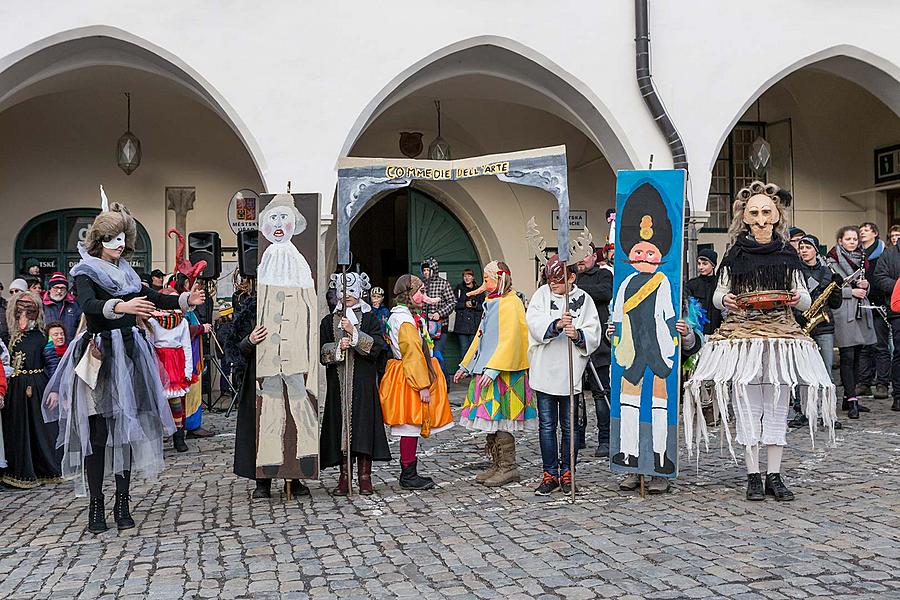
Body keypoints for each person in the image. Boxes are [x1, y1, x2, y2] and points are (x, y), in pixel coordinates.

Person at [43, 194, 205, 533]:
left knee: (126, 432)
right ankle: (96, 505)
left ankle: (122, 500)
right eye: (110, 239)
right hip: (99, 357)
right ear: (98, 241)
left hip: (130, 355)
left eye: (121, 239)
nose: (117, 245)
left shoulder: (129, 274)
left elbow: (154, 296)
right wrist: (122, 308)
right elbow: (87, 305)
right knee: (99, 434)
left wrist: (184, 299)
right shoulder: (85, 272)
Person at [684, 181, 835, 502]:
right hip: (743, 337)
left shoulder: (786, 252)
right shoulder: (735, 253)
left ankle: (774, 474)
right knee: (747, 404)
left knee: (778, 402)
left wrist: (797, 298)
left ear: (777, 214)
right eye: (755, 212)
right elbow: (718, 295)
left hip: (780, 336)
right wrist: (728, 302)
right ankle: (753, 474)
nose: (762, 218)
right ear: (745, 216)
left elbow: (805, 298)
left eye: (767, 212)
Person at [453, 261, 534, 486]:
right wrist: (466, 365)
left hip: (504, 372)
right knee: (491, 420)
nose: (484, 283)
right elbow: (481, 336)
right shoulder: (493, 301)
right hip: (488, 371)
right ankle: (498, 465)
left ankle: (508, 468)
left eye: (488, 279)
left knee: (501, 420)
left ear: (499, 279)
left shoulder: (511, 303)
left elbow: (512, 339)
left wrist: (494, 367)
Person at [526, 255, 601, 496]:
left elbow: (593, 331)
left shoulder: (583, 300)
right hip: (545, 369)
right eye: (550, 280)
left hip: (570, 373)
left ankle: (568, 472)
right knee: (547, 426)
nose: (552, 285)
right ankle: (550, 474)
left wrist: (577, 334)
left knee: (570, 427)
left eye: (558, 280)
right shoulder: (541, 296)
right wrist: (556, 325)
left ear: (571, 277)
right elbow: (534, 322)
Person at [380, 274, 454, 490]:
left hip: (406, 374)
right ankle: (408, 474)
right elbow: (411, 353)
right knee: (409, 426)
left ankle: (409, 472)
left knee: (409, 426)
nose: (424, 295)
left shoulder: (405, 317)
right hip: (409, 377)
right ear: (410, 295)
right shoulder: (404, 321)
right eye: (420, 291)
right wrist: (422, 385)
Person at [320, 271, 391, 495]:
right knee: (341, 429)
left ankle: (364, 477)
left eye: (352, 292)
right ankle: (344, 477)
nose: (347, 296)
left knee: (362, 428)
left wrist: (355, 333)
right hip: (338, 384)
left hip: (362, 382)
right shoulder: (328, 321)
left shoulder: (370, 319)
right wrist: (337, 348)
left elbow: (378, 347)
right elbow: (322, 352)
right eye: (344, 292)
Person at [1, 292, 61, 490]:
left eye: (29, 311)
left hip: (37, 388)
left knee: (39, 431)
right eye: (20, 312)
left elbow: (53, 363)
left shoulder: (44, 337)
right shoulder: (7, 336)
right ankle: (18, 470)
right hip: (13, 391)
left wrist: (55, 390)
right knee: (16, 431)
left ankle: (43, 469)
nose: (24, 317)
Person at [791, 235, 843, 429]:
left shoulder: (827, 272)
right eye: (801, 247)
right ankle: (802, 411)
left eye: (808, 247)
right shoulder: (795, 273)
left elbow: (835, 304)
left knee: (826, 371)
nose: (804, 250)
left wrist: (836, 289)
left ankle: (828, 414)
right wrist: (798, 316)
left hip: (824, 326)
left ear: (815, 250)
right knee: (801, 371)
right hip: (802, 325)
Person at [826, 226, 876, 419]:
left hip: (860, 310)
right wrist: (851, 292)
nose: (852, 242)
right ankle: (853, 399)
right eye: (848, 239)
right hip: (844, 309)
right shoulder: (832, 260)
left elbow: (865, 285)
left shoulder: (862, 259)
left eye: (855, 239)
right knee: (846, 355)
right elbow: (831, 289)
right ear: (840, 241)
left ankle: (850, 397)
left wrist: (865, 286)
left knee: (857, 354)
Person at [574, 245, 614, 457]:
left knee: (601, 393)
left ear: (594, 257)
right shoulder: (571, 276)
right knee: (575, 393)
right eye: (578, 256)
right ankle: (577, 436)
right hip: (575, 344)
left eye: (586, 255)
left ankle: (605, 439)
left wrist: (576, 290)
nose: (581, 260)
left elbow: (605, 293)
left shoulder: (603, 274)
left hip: (598, 344)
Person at [146, 291, 194, 453]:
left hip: (175, 362)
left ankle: (178, 437)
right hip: (159, 361)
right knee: (157, 403)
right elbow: (150, 345)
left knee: (175, 402)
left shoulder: (182, 323)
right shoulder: (153, 321)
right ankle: (158, 438)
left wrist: (188, 369)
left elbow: (187, 346)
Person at [857, 222, 890, 400]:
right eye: (860, 230)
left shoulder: (883, 255)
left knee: (880, 346)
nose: (862, 233)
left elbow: (884, 279)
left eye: (866, 230)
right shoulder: (858, 255)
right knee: (864, 347)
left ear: (875, 233)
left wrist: (870, 287)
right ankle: (864, 383)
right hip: (862, 305)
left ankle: (882, 383)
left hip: (878, 304)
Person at [872, 230, 900, 412]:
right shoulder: (889, 254)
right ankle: (898, 395)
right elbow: (879, 278)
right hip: (898, 310)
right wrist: (898, 286)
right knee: (899, 353)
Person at [419, 258, 455, 368]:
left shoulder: (443, 284)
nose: (425, 272)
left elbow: (452, 302)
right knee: (426, 355)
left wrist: (439, 313)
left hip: (440, 326)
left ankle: (445, 382)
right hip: (424, 326)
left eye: (428, 270)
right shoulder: (421, 285)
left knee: (437, 355)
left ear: (433, 270)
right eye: (424, 270)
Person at [685, 248, 723, 335]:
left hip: (718, 331)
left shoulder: (720, 284)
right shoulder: (692, 284)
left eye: (705, 264)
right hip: (697, 332)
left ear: (713, 265)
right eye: (699, 264)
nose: (700, 267)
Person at [452, 268, 484, 357]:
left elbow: (484, 307)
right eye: (465, 276)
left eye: (469, 276)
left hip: (475, 324)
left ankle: (473, 370)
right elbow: (454, 305)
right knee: (464, 348)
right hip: (462, 324)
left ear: (473, 277)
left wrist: (475, 305)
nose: (467, 278)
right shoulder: (459, 289)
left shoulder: (479, 290)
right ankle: (464, 370)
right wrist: (465, 304)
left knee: (474, 349)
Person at [41, 272, 82, 342]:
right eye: (56, 288)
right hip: (47, 347)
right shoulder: (41, 305)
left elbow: (81, 325)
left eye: (62, 288)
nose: (59, 291)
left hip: (70, 346)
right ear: (50, 289)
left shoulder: (74, 305)